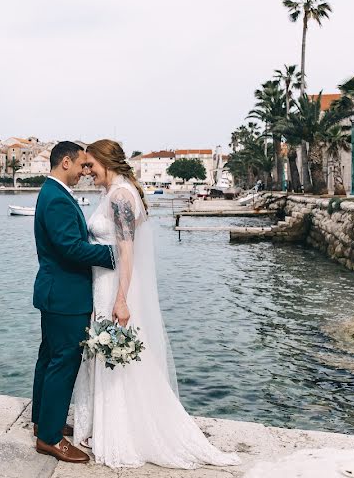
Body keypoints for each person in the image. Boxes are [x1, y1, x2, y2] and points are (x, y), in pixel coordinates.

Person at [72, 139, 241, 470]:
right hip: (102, 283)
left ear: (107, 162)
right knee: (110, 356)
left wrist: (121, 298)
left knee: (117, 356)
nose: (87, 170)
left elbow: (126, 252)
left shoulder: (120, 197)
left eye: (91, 164)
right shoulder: (113, 194)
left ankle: (124, 430)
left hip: (114, 286)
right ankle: (107, 424)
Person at [31, 141, 116, 464]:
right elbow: (71, 248)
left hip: (55, 291)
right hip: (65, 295)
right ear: (65, 162)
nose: (84, 171)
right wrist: (114, 255)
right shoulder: (56, 198)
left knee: (50, 357)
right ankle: (49, 438)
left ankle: (43, 420)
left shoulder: (53, 193)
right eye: (81, 165)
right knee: (63, 362)